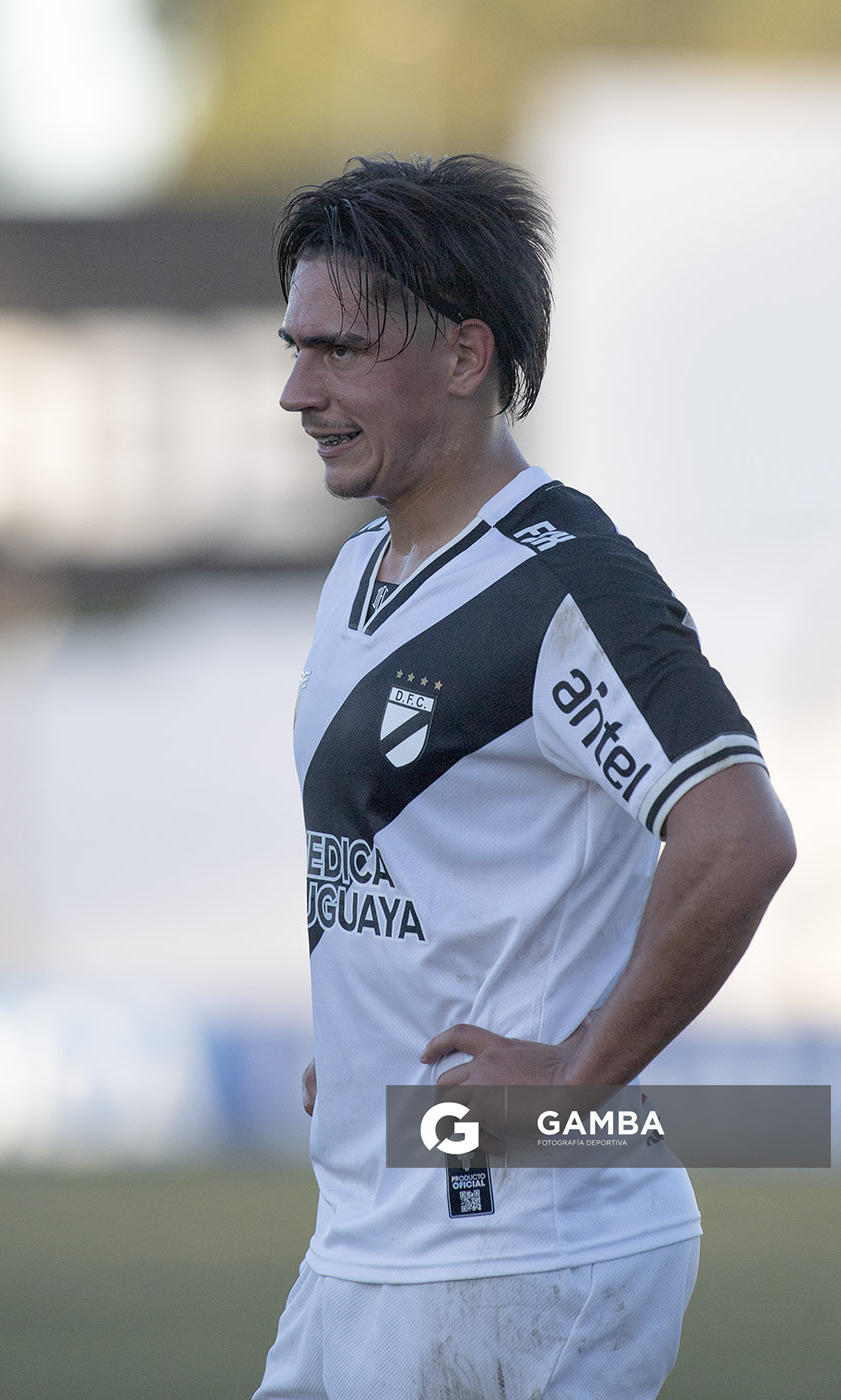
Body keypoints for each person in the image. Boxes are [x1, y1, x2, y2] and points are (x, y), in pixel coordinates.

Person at [255, 154, 795, 1400]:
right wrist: (364, 1039)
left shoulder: (568, 580)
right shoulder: (360, 570)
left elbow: (739, 834)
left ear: (464, 355)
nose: (297, 389)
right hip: (371, 1235)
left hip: (521, 1250)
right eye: (295, 347)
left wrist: (579, 1077)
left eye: (340, 349)